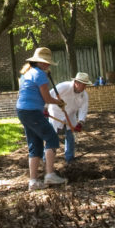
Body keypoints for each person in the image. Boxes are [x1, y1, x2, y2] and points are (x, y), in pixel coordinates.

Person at [16, 47, 68, 190]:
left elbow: (31, 95)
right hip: (31, 111)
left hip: (24, 110)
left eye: (48, 63)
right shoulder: (40, 75)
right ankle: (50, 174)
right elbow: (46, 98)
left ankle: (33, 182)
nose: (48, 65)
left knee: (35, 144)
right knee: (52, 138)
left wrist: (40, 109)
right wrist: (60, 102)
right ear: (39, 63)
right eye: (46, 62)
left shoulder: (27, 74)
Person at [47, 71, 93, 167]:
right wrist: (44, 108)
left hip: (70, 114)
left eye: (86, 85)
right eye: (83, 85)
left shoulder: (84, 95)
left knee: (70, 135)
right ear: (77, 83)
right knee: (52, 136)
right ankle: (46, 160)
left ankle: (69, 158)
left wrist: (80, 122)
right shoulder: (64, 86)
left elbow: (83, 109)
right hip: (56, 113)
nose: (85, 87)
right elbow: (49, 95)